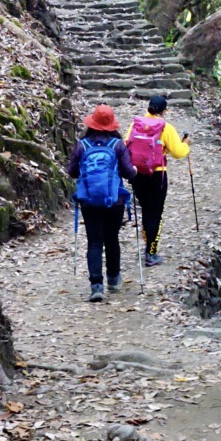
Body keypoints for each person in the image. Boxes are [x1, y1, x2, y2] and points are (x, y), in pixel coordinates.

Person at [68, 104, 133, 301]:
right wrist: (135, 172)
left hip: (89, 201)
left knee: (94, 241)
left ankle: (96, 285)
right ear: (112, 125)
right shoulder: (118, 145)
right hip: (114, 200)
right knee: (112, 238)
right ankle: (113, 279)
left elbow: (71, 171)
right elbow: (128, 172)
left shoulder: (82, 145)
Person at [125, 94, 190, 266]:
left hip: (138, 173)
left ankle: (148, 243)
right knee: (155, 213)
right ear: (164, 111)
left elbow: (126, 145)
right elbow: (178, 152)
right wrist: (186, 145)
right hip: (157, 175)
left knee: (146, 210)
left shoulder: (135, 124)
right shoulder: (166, 127)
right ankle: (151, 252)